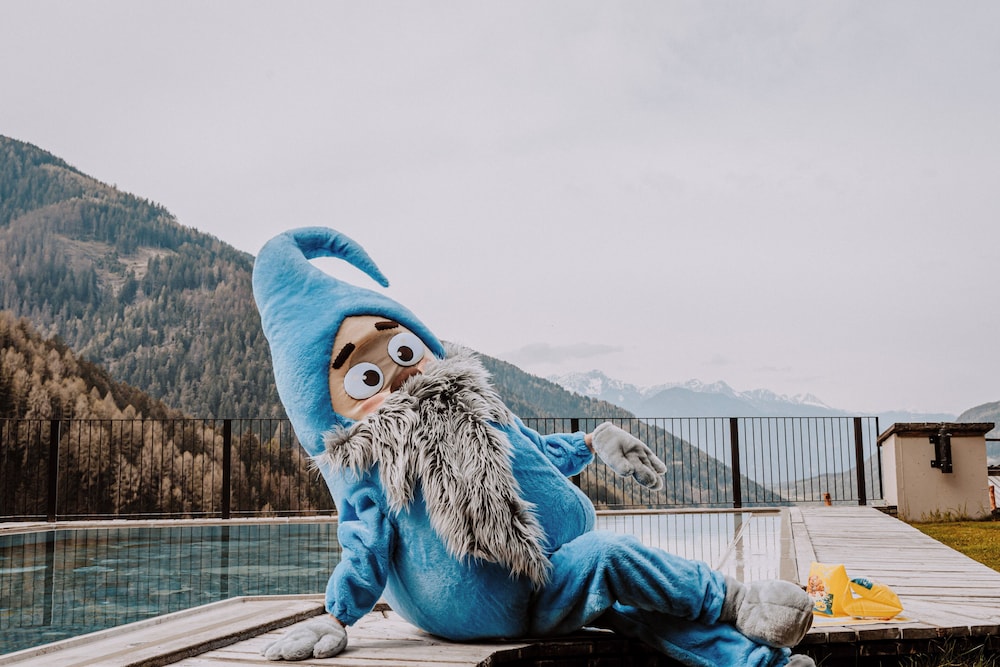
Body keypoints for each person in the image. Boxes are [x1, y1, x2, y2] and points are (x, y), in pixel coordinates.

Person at [251, 227, 816, 667]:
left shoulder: (480, 408)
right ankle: (736, 601)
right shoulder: (377, 462)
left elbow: (533, 452)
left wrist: (592, 441)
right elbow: (364, 542)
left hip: (548, 574)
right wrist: (337, 616)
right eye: (364, 377)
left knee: (629, 600)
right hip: (487, 604)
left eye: (400, 350)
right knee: (609, 558)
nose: (399, 374)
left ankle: (756, 663)